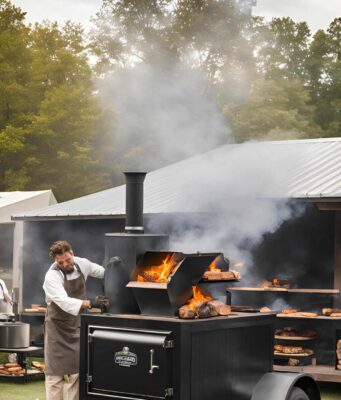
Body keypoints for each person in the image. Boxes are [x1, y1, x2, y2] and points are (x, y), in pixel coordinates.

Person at [43, 240, 105, 400]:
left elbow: (103, 272)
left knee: (76, 373)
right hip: (56, 329)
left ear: (72, 253)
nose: (64, 264)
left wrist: (114, 267)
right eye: (60, 261)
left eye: (67, 259)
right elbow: (63, 301)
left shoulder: (82, 264)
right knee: (54, 376)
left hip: (76, 326)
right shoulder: (52, 275)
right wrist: (90, 303)